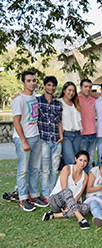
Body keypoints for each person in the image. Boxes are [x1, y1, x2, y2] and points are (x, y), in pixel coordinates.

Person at [12, 70, 48, 211]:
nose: (32, 83)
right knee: (22, 170)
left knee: (34, 169)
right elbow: (16, 122)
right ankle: (23, 199)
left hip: (36, 137)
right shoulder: (18, 100)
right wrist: (24, 141)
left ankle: (34, 195)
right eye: (29, 80)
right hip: (23, 139)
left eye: (34, 80)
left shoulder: (33, 96)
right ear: (23, 82)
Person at [42, 151, 90, 230]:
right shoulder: (67, 169)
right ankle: (81, 219)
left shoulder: (86, 176)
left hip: (71, 203)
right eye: (80, 160)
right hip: (56, 201)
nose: (82, 163)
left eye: (85, 161)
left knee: (85, 208)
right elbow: (64, 190)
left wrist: (71, 204)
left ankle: (54, 215)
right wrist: (70, 204)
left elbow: (79, 194)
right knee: (67, 191)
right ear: (76, 159)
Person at [37, 76, 63, 204]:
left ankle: (53, 192)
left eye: (53, 85)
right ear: (44, 86)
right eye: (49, 85)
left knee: (54, 168)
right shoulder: (37, 101)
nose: (51, 87)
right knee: (45, 169)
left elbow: (59, 122)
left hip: (56, 140)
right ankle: (46, 194)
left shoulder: (58, 103)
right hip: (43, 140)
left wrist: (61, 136)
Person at [59, 82, 82, 166]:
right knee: (70, 161)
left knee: (77, 161)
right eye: (69, 90)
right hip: (66, 135)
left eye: (73, 91)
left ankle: (75, 179)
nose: (71, 93)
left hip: (77, 134)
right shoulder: (59, 102)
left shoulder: (75, 103)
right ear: (64, 90)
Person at [78, 79, 97, 173]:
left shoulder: (94, 100)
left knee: (90, 161)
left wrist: (90, 94)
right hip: (82, 135)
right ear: (80, 87)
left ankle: (88, 185)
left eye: (90, 87)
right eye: (85, 86)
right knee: (81, 162)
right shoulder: (76, 99)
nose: (88, 89)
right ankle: (80, 184)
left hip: (93, 134)